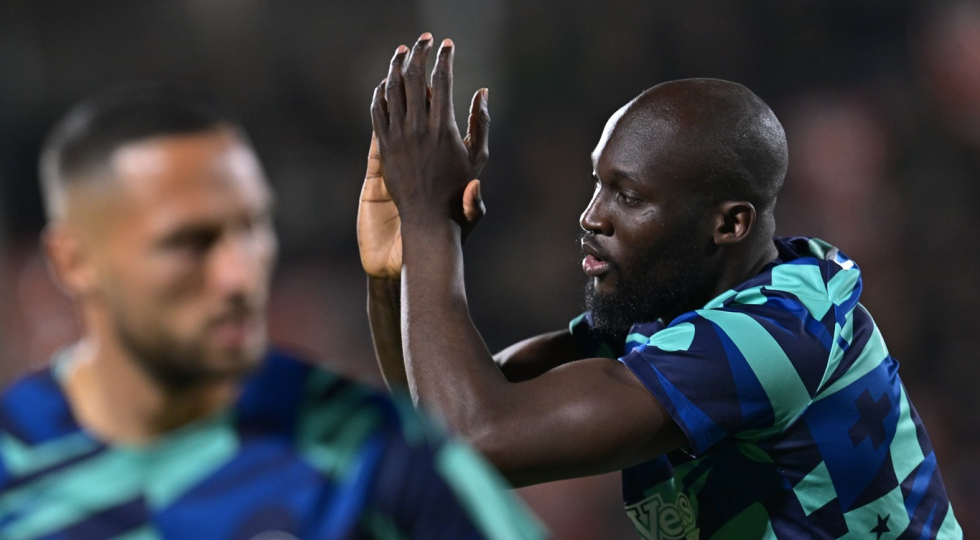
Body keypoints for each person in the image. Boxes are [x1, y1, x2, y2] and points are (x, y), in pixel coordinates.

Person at [359, 33, 963, 539]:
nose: (590, 217)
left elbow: (479, 434)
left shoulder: (785, 331)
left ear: (729, 223)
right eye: (597, 184)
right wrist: (399, 272)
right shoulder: (668, 315)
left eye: (628, 195)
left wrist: (430, 221)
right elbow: (442, 423)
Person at [0, 85, 546, 540]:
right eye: (190, 242)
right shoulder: (14, 462)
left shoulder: (369, 453)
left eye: (253, 228)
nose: (239, 276)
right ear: (73, 261)